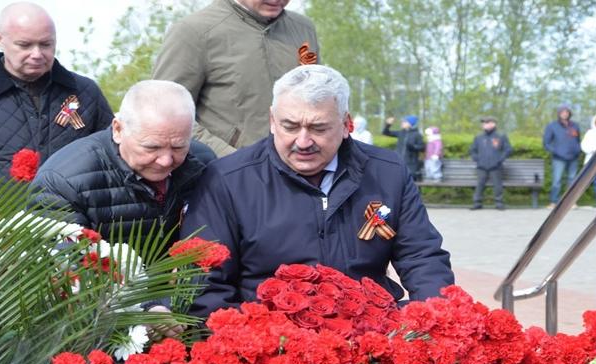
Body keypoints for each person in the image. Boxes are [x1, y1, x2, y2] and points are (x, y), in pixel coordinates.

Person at [174, 64, 453, 318]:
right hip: (273, 340)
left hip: (370, 331)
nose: (303, 141)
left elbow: (422, 257)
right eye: (290, 126)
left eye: (318, 128)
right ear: (272, 120)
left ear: (346, 125)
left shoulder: (387, 172)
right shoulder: (227, 179)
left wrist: (430, 319)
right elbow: (204, 285)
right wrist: (255, 339)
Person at [31, 80, 211, 244]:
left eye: (179, 147)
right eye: (152, 147)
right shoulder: (63, 182)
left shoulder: (204, 164)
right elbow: (65, 268)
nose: (165, 160)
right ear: (118, 130)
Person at [0, 2, 114, 201]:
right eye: (24, 45)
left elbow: (113, 159)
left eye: (46, 44)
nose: (37, 54)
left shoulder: (85, 92)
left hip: (73, 223)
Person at [152, 0, 319, 158]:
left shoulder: (303, 28)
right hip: (223, 176)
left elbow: (318, 99)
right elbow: (166, 113)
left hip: (298, 171)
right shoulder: (193, 31)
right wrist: (233, 160)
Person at [469, 116, 512, 210]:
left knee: (497, 185)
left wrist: (500, 159)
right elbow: (472, 150)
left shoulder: (501, 136)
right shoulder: (479, 137)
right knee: (480, 184)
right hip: (481, 166)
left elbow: (508, 149)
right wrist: (477, 159)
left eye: (487, 122)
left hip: (496, 166)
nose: (484, 124)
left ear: (493, 124)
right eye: (483, 123)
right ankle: (477, 203)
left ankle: (499, 203)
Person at [543, 103, 582, 208]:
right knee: (557, 180)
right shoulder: (552, 126)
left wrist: (577, 150)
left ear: (569, 113)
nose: (565, 114)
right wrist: (556, 151)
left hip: (573, 158)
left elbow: (578, 141)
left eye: (566, 112)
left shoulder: (575, 126)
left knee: (572, 180)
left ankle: (571, 202)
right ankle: (553, 202)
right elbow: (546, 143)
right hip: (558, 158)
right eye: (562, 112)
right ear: (559, 113)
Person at [382, 115, 425, 181]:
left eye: (405, 121)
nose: (402, 123)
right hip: (399, 163)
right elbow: (385, 132)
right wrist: (388, 124)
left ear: (410, 124)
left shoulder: (417, 135)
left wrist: (413, 147)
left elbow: (422, 148)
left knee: (411, 185)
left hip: (411, 165)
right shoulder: (401, 133)